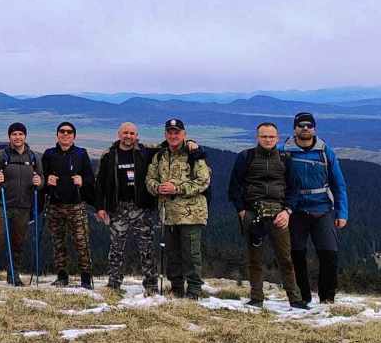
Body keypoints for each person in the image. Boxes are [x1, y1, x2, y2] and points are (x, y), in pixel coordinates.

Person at [228, 122, 307, 309]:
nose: (268, 139)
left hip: (279, 214)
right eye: (264, 136)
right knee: (254, 258)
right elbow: (234, 187)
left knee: (285, 258)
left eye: (271, 136)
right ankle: (256, 298)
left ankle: (295, 299)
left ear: (277, 138)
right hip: (252, 213)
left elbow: (295, 189)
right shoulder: (245, 157)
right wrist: (242, 211)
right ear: (257, 137)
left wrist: (287, 211)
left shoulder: (285, 159)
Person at [283, 112, 349, 305]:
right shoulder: (283, 151)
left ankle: (327, 298)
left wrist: (342, 213)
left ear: (314, 128)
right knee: (297, 254)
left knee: (329, 254)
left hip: (323, 209)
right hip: (294, 210)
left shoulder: (325, 152)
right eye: (301, 125)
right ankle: (302, 297)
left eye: (309, 125)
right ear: (294, 128)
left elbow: (339, 185)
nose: (305, 128)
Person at [146, 119, 211, 300]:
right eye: (170, 132)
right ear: (165, 134)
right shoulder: (160, 155)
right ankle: (176, 289)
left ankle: (194, 291)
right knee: (172, 254)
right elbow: (149, 179)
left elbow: (203, 181)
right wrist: (157, 187)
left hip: (191, 214)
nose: (173, 136)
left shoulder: (194, 154)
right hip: (167, 214)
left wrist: (178, 188)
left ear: (184, 134)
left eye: (177, 132)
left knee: (191, 255)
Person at [94, 122, 158, 295]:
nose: (128, 136)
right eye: (125, 133)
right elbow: (99, 184)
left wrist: (192, 144)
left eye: (131, 133)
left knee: (147, 248)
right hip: (118, 207)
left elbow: (169, 145)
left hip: (141, 208)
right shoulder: (109, 155)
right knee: (116, 248)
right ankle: (114, 283)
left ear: (136, 135)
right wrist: (100, 207)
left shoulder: (145, 152)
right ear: (119, 134)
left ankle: (151, 285)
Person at [0, 122, 42, 286]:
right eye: (14, 134)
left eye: (20, 134)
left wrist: (39, 182)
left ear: (25, 136)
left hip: (23, 206)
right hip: (2, 204)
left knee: (18, 243)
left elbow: (41, 180)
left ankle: (13, 275)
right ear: (9, 137)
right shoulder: (1, 156)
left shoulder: (34, 157)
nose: (18, 137)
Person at [42, 122, 96, 288]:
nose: (65, 134)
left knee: (82, 243)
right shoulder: (49, 154)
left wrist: (83, 181)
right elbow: (39, 178)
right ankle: (62, 276)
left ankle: (85, 279)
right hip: (55, 205)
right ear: (57, 134)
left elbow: (90, 179)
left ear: (74, 135)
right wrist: (46, 180)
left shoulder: (81, 154)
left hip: (76, 205)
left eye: (69, 132)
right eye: (62, 131)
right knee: (58, 243)